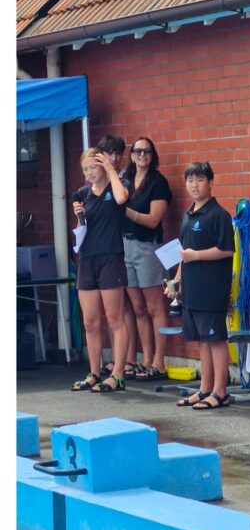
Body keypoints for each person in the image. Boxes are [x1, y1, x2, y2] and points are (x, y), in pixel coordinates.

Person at [167, 161, 234, 410]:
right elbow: (183, 253)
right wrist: (176, 280)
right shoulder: (188, 214)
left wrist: (196, 256)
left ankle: (220, 391)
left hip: (211, 288)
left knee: (216, 339)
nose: (194, 185)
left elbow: (226, 250)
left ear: (211, 183)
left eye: (200, 180)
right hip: (192, 289)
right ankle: (205, 389)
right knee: (203, 340)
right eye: (190, 180)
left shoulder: (219, 215)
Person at [71, 147, 129, 393]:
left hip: (110, 257)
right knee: (90, 322)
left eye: (93, 167)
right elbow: (81, 229)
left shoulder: (117, 186)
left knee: (115, 319)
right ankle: (94, 372)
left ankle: (117, 374)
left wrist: (110, 169)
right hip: (87, 259)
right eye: (85, 169)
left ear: (102, 165)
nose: (89, 173)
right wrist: (79, 216)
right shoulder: (82, 194)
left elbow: (121, 199)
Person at [123, 137, 172, 380]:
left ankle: (159, 362)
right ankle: (146, 359)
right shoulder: (125, 180)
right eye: (138, 151)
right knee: (138, 308)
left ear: (153, 156)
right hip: (125, 245)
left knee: (155, 307)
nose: (142, 155)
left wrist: (126, 212)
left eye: (147, 151)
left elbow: (153, 220)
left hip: (147, 247)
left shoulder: (158, 183)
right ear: (132, 155)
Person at [97, 134, 140, 380]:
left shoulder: (123, 178)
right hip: (103, 248)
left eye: (117, 154)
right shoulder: (94, 179)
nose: (114, 158)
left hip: (124, 243)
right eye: (109, 153)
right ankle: (117, 358)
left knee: (128, 305)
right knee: (114, 309)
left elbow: (121, 198)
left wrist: (110, 171)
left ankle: (129, 360)